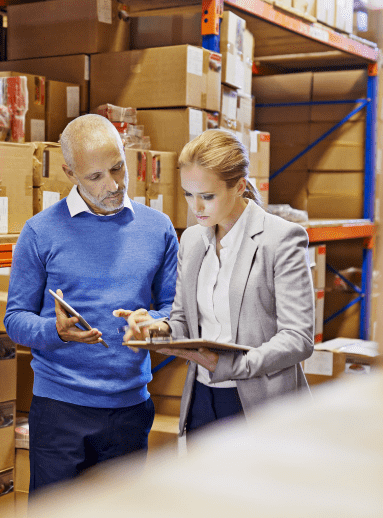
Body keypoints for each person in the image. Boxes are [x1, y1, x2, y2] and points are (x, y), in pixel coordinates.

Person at [3, 114, 178, 494]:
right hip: (59, 411)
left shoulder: (158, 229)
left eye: (118, 168)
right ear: (69, 173)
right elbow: (15, 319)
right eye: (96, 177)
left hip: (131, 409)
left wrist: (155, 325)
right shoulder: (40, 231)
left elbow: (173, 310)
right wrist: (56, 332)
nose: (113, 185)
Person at [122, 128, 315, 438]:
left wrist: (231, 367)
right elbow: (184, 320)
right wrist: (157, 330)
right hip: (202, 399)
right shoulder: (192, 240)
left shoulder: (280, 240)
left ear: (239, 186)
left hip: (260, 406)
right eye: (188, 193)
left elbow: (298, 338)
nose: (195, 207)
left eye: (207, 196)